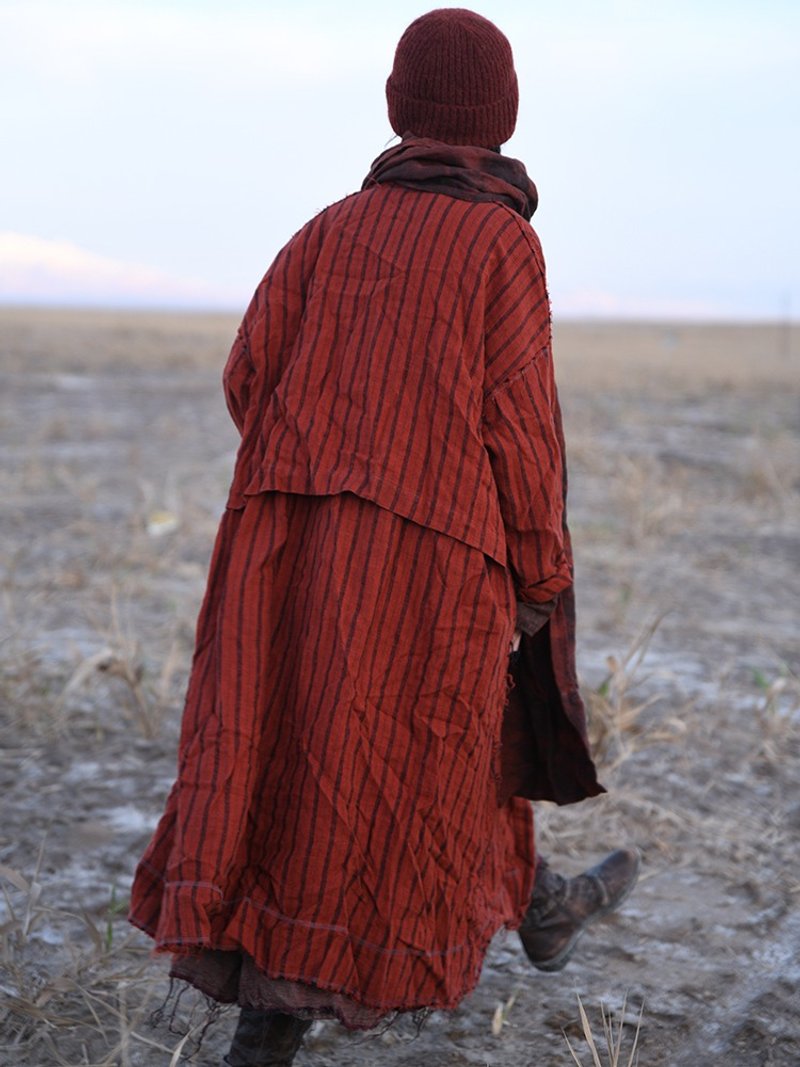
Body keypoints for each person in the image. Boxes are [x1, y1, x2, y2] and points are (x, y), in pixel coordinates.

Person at [129, 9, 639, 1066]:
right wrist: (537, 571)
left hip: (280, 547)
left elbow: (246, 375)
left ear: (399, 106)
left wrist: (317, 471)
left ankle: (533, 900)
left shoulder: (325, 229)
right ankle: (279, 1017)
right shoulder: (501, 242)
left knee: (292, 749)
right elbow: (522, 431)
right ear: (499, 116)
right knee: (399, 759)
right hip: (431, 562)